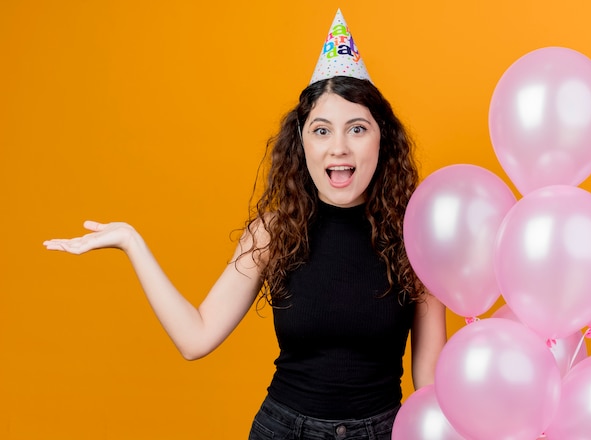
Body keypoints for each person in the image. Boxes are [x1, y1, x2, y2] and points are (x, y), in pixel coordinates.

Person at [44, 9, 446, 440]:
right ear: (302, 142)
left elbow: (432, 389)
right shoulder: (276, 232)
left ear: (382, 139)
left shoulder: (416, 239)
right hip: (282, 430)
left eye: (358, 128)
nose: (339, 148)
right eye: (322, 130)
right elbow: (195, 338)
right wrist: (131, 242)